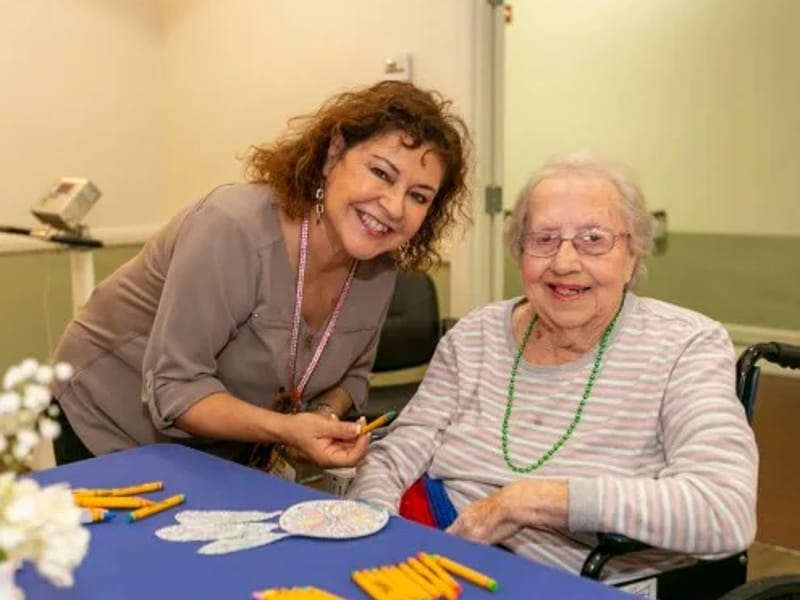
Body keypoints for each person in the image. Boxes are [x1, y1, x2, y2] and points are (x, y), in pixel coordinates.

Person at [347, 152, 757, 579]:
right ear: (519, 251)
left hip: (575, 581)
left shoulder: (685, 345)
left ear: (633, 252)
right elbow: (394, 454)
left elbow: (723, 511)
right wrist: (378, 526)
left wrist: (533, 501)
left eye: (593, 239)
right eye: (543, 239)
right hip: (435, 555)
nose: (564, 263)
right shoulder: (475, 336)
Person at [50, 80, 470, 471]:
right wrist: (285, 429)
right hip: (110, 421)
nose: (395, 207)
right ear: (332, 154)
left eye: (418, 196)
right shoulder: (232, 228)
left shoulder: (378, 269)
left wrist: (322, 418)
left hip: (226, 449)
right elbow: (174, 387)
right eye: (381, 173)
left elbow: (353, 378)